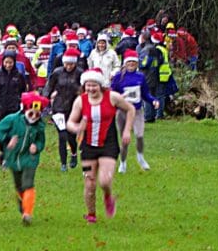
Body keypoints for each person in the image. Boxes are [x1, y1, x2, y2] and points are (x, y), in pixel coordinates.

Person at [66, 68, 136, 223]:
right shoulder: (80, 101)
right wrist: (77, 128)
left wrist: (126, 131)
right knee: (89, 183)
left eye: (94, 85)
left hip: (108, 146)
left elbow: (130, 109)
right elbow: (70, 122)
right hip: (87, 147)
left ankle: (108, 196)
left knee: (104, 181)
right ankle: (91, 214)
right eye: (88, 86)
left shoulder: (112, 97)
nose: (91, 89)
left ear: (101, 85)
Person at [0, 92, 49, 225]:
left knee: (28, 183)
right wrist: (8, 141)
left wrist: (37, 146)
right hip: (13, 158)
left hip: (30, 158)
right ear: (25, 109)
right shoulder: (12, 119)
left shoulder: (40, 126)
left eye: (37, 114)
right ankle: (23, 203)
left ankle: (27, 214)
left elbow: (41, 140)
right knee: (19, 185)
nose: (34, 117)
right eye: (31, 113)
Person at [111, 50, 159, 173]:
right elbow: (112, 94)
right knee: (124, 140)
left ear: (137, 63)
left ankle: (140, 157)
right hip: (122, 111)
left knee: (140, 135)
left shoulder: (140, 76)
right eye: (129, 62)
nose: (131, 64)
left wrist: (153, 100)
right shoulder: (118, 77)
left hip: (137, 111)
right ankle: (123, 162)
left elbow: (145, 93)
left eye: (134, 62)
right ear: (125, 63)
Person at [43, 48, 84, 171]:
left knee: (71, 136)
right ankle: (63, 163)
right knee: (62, 135)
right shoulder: (57, 72)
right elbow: (48, 87)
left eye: (71, 64)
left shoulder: (80, 73)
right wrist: (43, 101)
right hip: (58, 107)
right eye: (66, 64)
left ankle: (74, 153)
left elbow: (84, 89)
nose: (69, 66)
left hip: (73, 108)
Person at [0, 49, 28, 120]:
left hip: (14, 107)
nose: (8, 65)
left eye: (10, 62)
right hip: (0, 106)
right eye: (6, 62)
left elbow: (23, 90)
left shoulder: (18, 75)